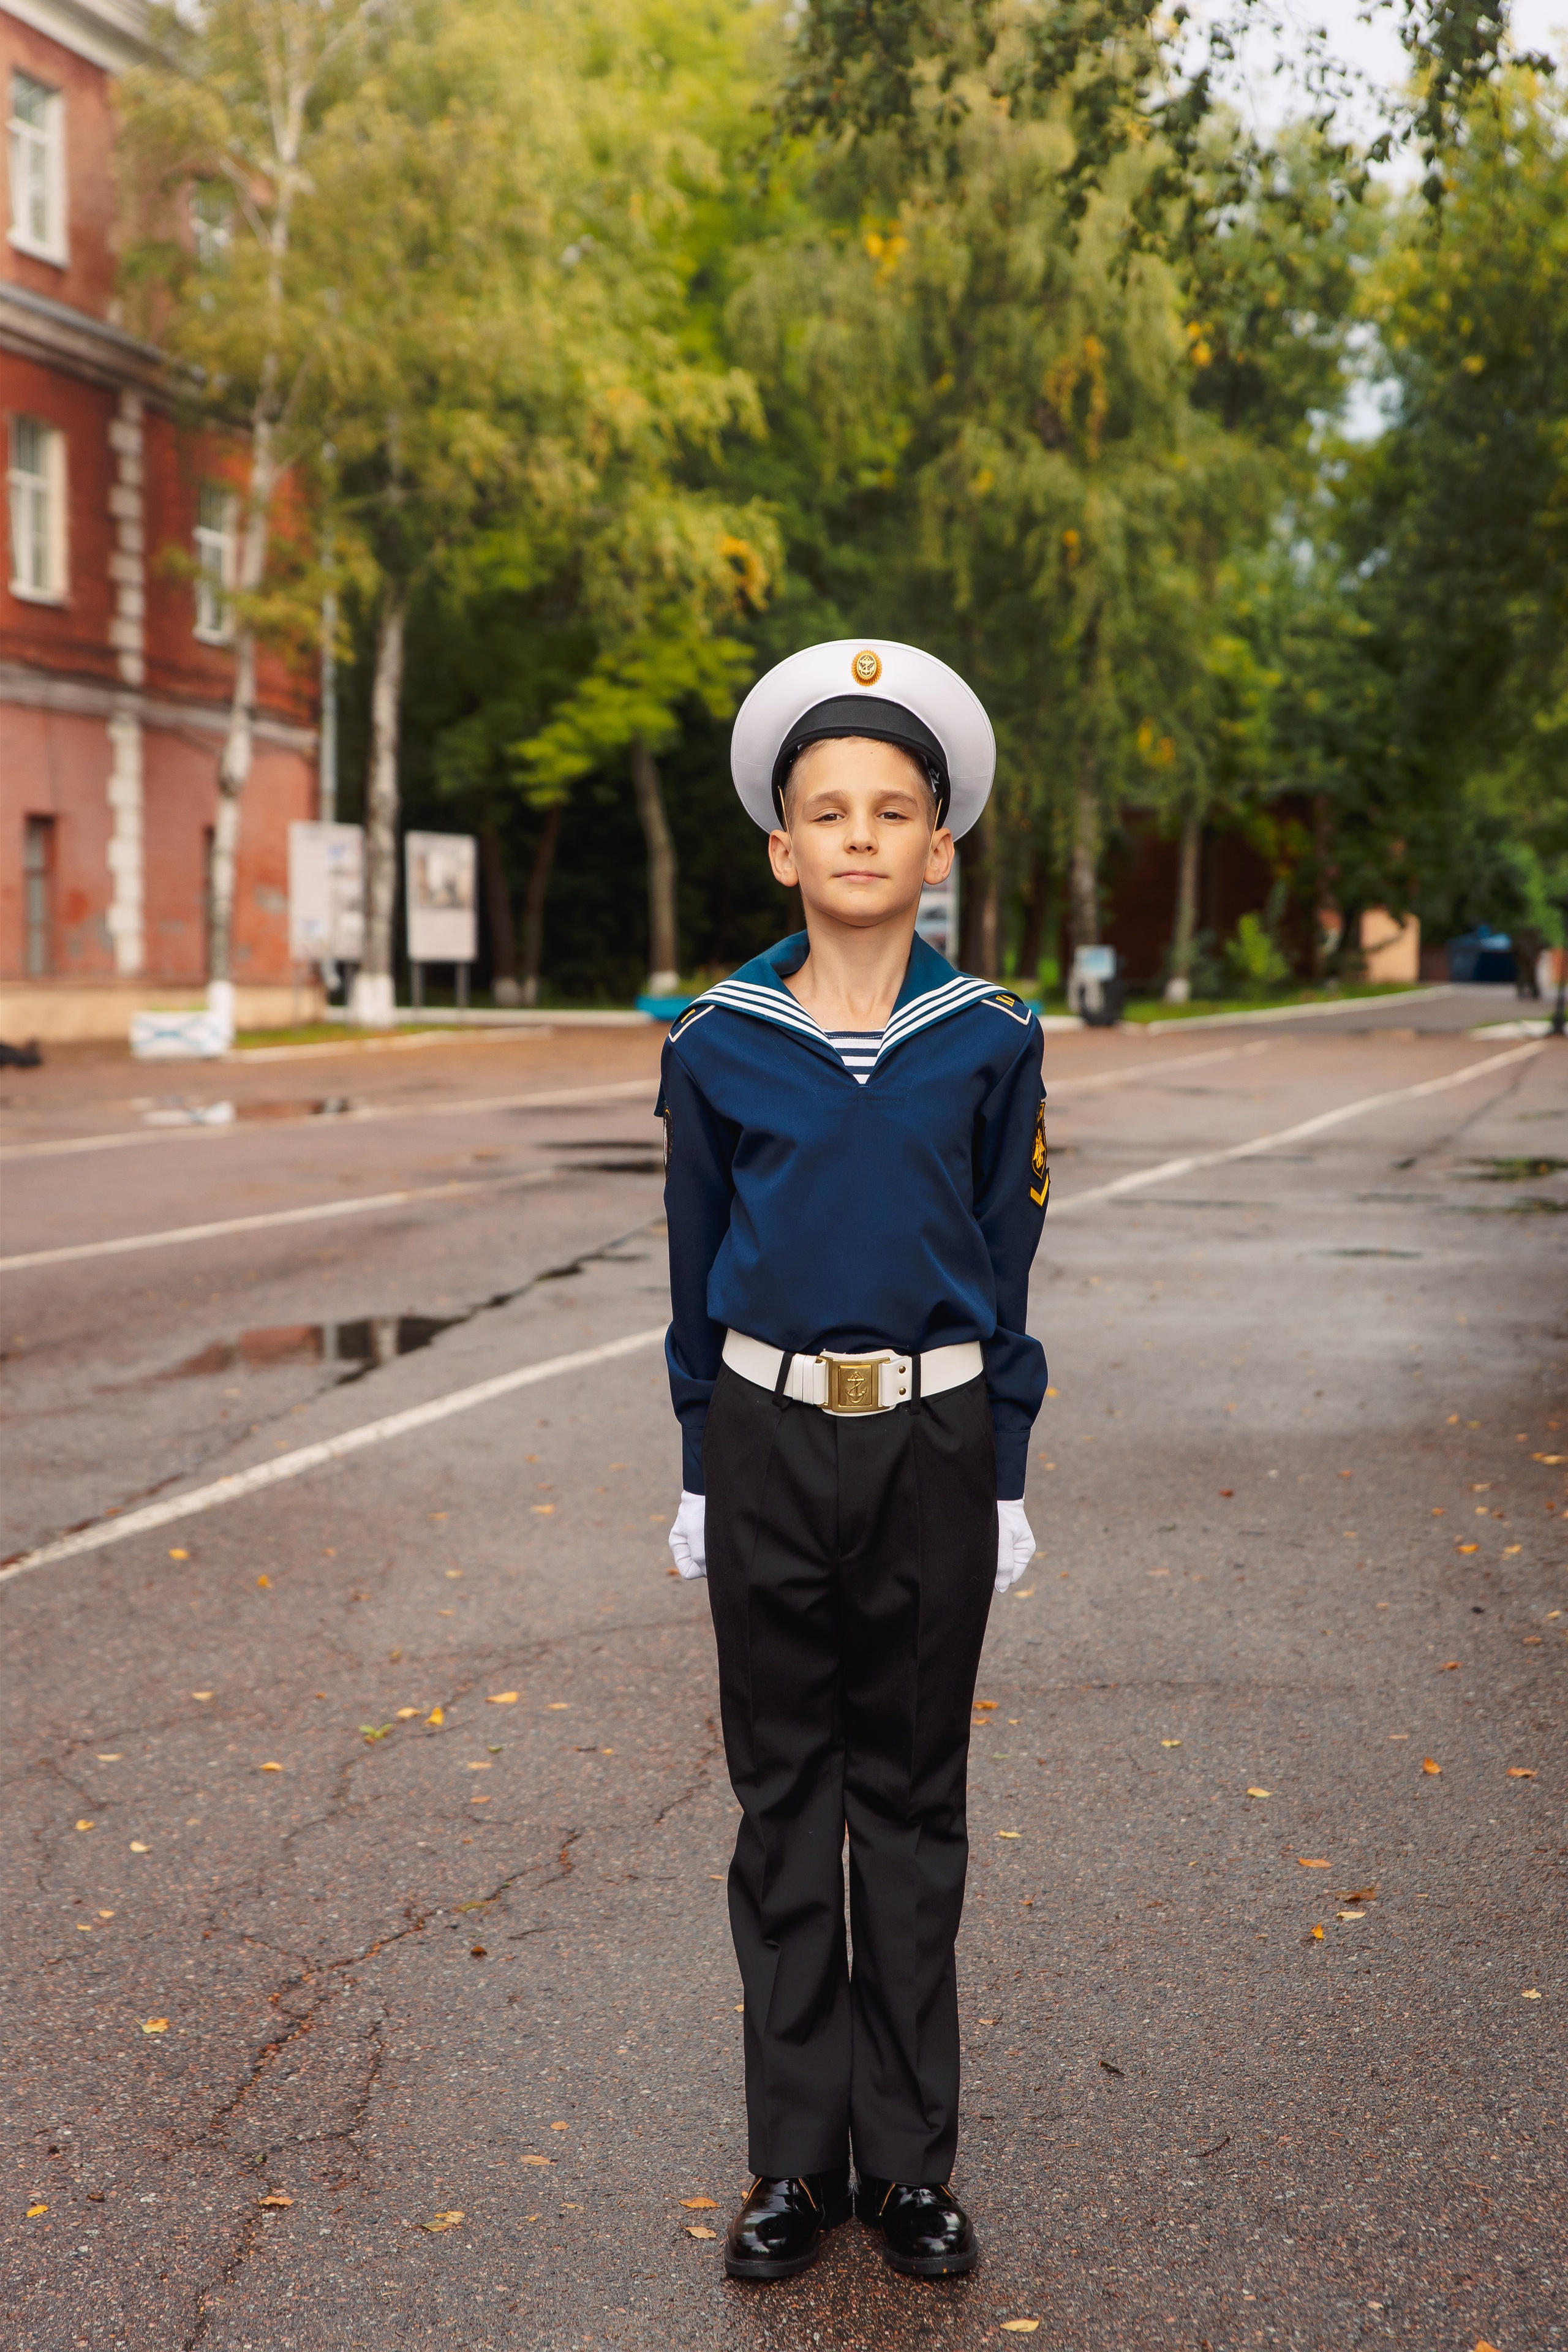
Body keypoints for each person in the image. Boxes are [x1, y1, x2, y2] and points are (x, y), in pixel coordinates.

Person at [657, 639, 1050, 2283]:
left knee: (909, 1804)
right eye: (829, 812)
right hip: (759, 1438)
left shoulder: (991, 1040)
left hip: (935, 1442)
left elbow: (1012, 1261)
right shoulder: (714, 1044)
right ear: (782, 846)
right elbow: (689, 1271)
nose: (863, 838)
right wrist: (694, 1462)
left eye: (897, 811)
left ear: (940, 843)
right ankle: (792, 2170)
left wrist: (1008, 1468)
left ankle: (909, 2170)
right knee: (781, 1806)